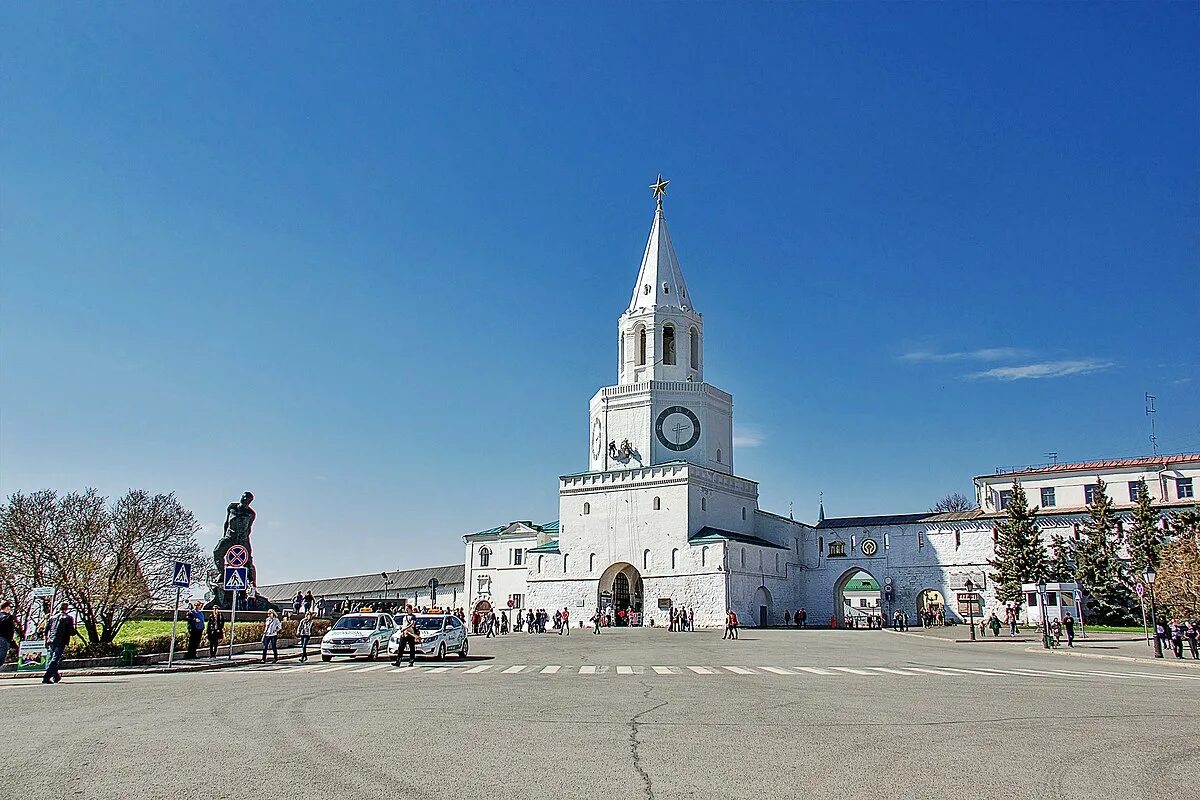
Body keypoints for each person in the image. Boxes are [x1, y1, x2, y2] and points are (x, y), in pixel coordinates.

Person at [42, 602, 76, 684]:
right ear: (66, 609)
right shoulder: (68, 618)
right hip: (61, 640)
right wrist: (75, 632)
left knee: (51, 658)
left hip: (51, 640)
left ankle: (56, 676)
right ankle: (46, 677)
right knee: (55, 659)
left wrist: (46, 638)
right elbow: (70, 631)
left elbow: (46, 630)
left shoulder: (52, 617)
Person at [0, 600, 16, 665]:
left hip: (4, 638)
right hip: (4, 639)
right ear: (7, 607)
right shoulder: (7, 617)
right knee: (1, 657)